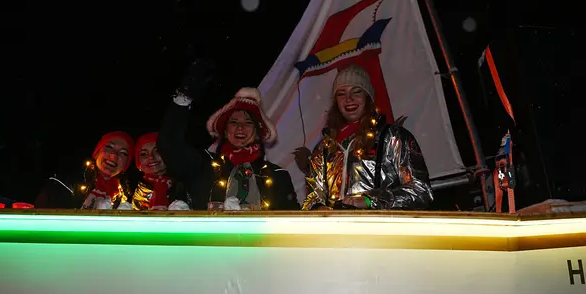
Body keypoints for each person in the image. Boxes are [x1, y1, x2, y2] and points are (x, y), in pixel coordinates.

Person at [157, 60, 299, 211]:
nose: (240, 127)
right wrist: (183, 99)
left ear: (258, 133)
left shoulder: (277, 176)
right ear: (224, 131)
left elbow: (292, 220)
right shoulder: (203, 166)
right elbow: (169, 145)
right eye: (234, 122)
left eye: (248, 122)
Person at [296, 65, 432, 210]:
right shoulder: (324, 148)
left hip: (380, 223)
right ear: (336, 102)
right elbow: (313, 197)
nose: (349, 99)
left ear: (368, 97)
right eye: (341, 94)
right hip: (337, 224)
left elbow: (421, 191)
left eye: (357, 91)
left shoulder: (393, 137)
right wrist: (318, 208)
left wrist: (369, 201)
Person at [132, 132, 189, 210]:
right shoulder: (129, 190)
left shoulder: (186, 185)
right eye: (143, 154)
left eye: (157, 151)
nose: (151, 157)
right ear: (139, 163)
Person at [80, 131, 134, 210]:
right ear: (97, 153)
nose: (114, 155)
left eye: (123, 153)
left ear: (125, 165)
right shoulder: (74, 182)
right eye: (109, 147)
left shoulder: (129, 199)